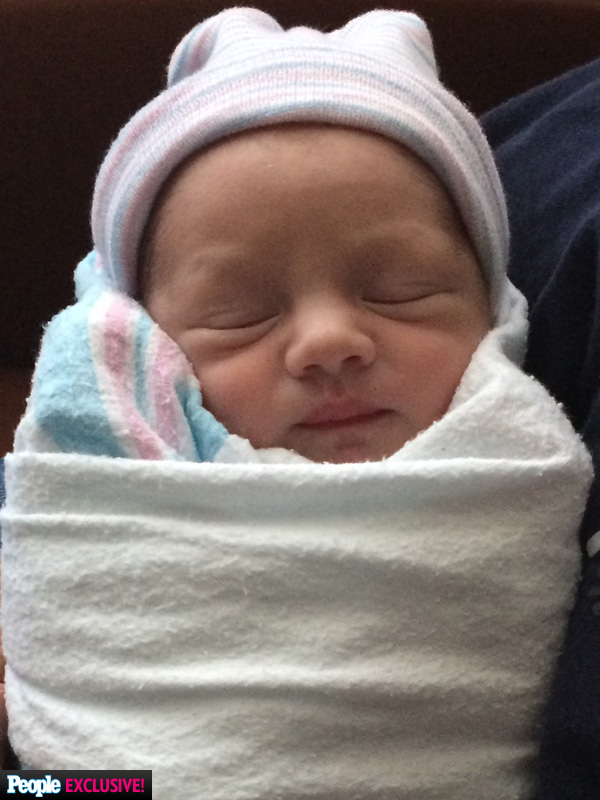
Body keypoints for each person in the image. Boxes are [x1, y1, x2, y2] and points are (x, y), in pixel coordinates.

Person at [0, 9, 592, 798]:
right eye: (240, 312)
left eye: (401, 290)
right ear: (151, 346)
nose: (328, 340)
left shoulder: (524, 456)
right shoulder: (97, 477)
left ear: (492, 310)